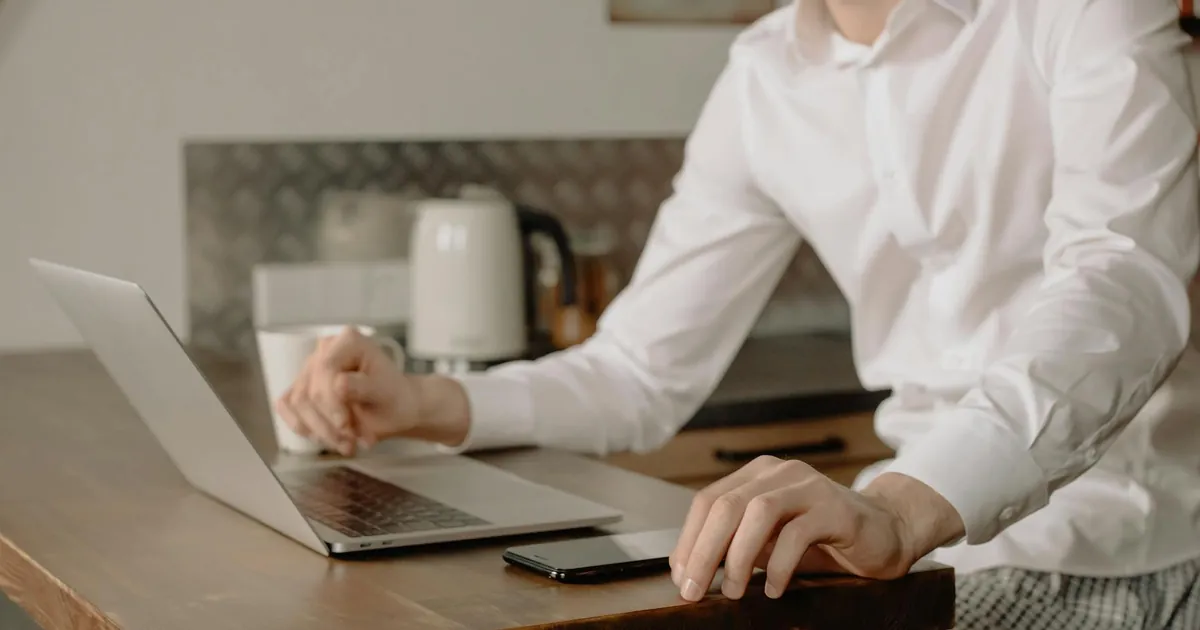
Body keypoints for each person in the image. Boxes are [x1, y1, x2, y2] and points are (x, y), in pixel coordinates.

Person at [277, 0, 1200, 627]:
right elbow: (638, 371)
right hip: (911, 548)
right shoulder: (766, 75)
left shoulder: (1082, 11)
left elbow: (1124, 283)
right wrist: (424, 402)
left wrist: (903, 508)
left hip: (1119, 550)